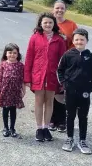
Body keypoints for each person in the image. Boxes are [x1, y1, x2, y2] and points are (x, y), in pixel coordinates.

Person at [24, 12, 66, 142]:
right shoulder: (35, 38)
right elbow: (29, 58)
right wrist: (27, 78)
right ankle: (39, 128)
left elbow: (63, 61)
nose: (48, 24)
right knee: (38, 102)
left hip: (53, 77)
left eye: (50, 22)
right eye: (45, 22)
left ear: (54, 24)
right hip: (38, 76)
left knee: (49, 102)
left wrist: (63, 79)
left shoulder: (59, 40)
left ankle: (46, 128)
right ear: (41, 24)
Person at [57, 28, 92, 154]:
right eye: (77, 39)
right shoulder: (68, 55)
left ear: (86, 41)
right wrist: (64, 84)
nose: (79, 41)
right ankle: (69, 138)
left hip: (84, 93)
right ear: (73, 41)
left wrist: (90, 88)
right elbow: (60, 70)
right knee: (70, 115)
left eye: (82, 39)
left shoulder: (91, 57)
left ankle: (82, 140)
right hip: (70, 91)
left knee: (83, 116)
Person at [49, 0, 78, 132]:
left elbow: (76, 43)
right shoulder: (49, 23)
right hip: (51, 62)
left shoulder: (71, 25)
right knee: (51, 91)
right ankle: (51, 119)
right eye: (57, 8)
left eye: (62, 8)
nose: (59, 10)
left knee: (63, 91)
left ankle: (62, 121)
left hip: (66, 63)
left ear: (65, 10)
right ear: (53, 9)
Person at [0, 43, 25, 137]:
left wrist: (23, 90)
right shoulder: (3, 65)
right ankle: (6, 128)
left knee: (13, 110)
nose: (12, 55)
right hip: (5, 91)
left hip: (15, 91)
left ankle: (12, 128)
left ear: (18, 54)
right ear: (6, 54)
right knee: (5, 109)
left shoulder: (20, 65)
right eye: (10, 52)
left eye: (14, 53)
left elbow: (22, 79)